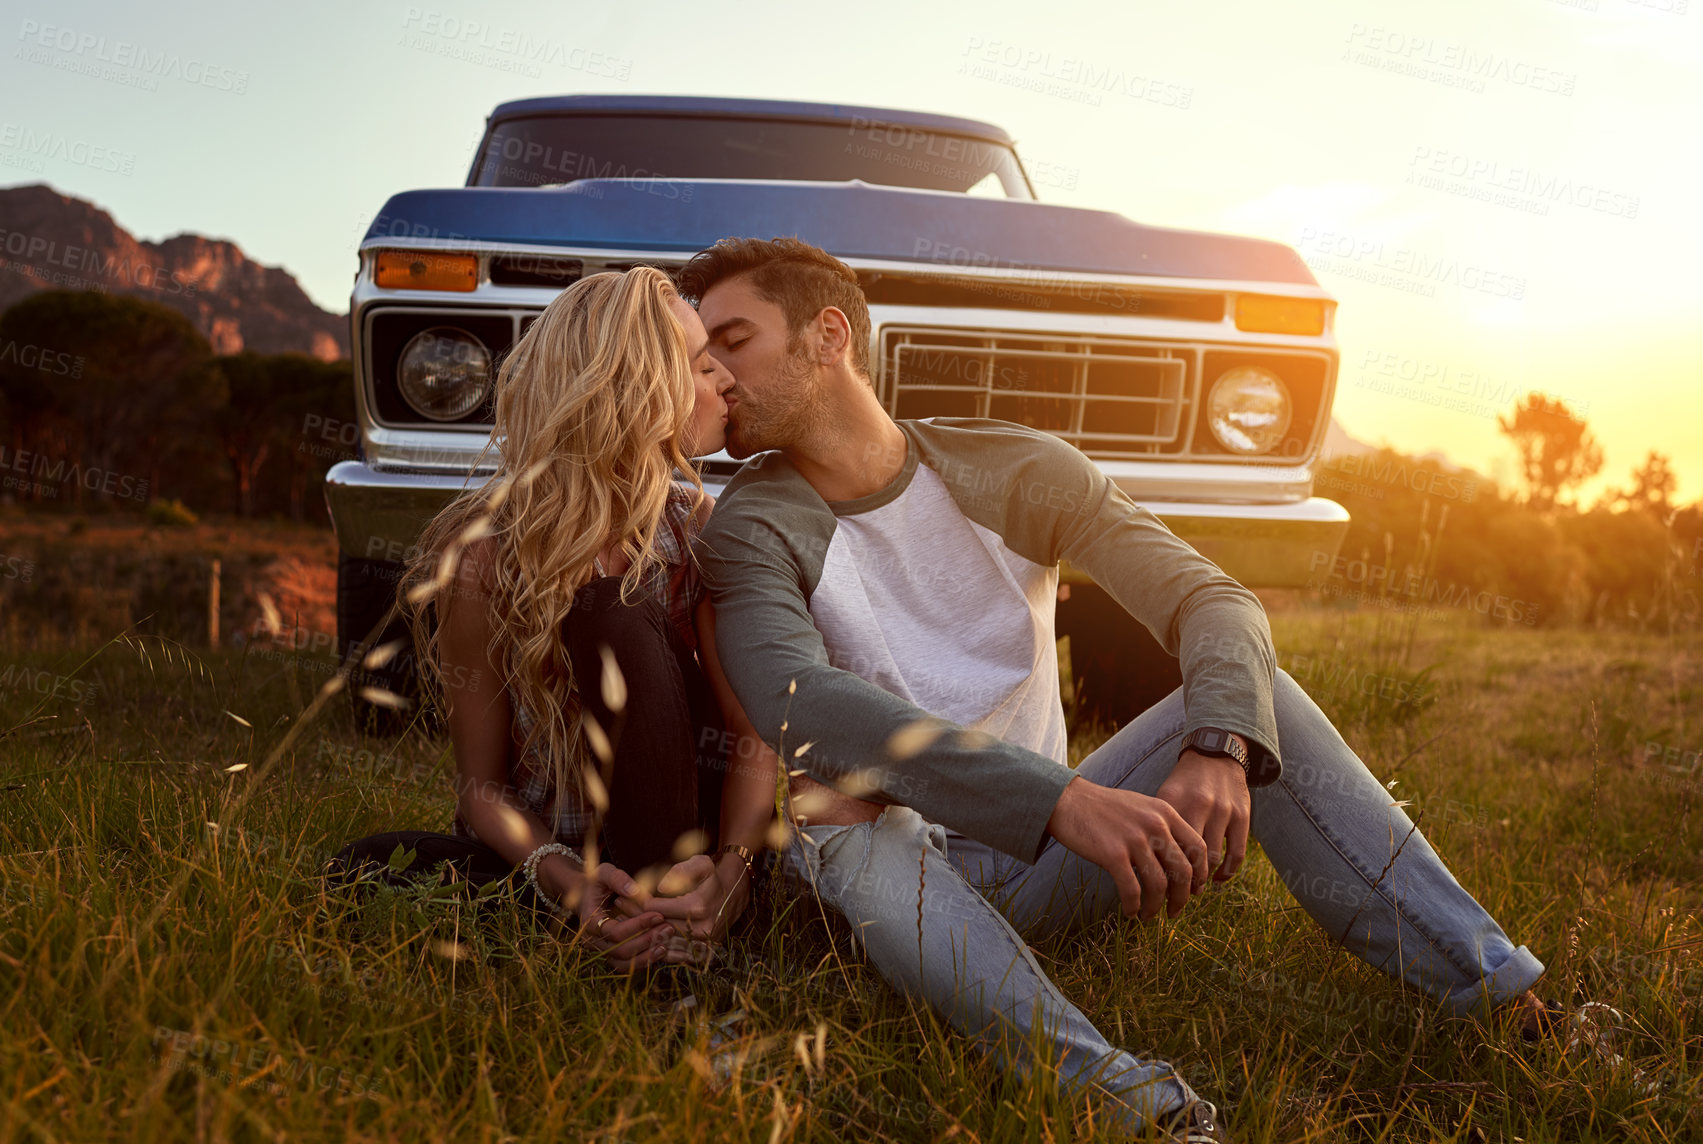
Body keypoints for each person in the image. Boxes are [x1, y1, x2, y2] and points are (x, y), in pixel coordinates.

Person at [673, 237, 1573, 1139]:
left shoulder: (1013, 469)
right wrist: (1062, 798)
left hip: (1042, 865)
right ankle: (1138, 1109)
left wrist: (1219, 744)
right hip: (892, 882)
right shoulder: (751, 526)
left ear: (828, 335)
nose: (714, 370)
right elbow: (798, 700)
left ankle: (1510, 1007)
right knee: (832, 812)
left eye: (736, 339)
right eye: (702, 352)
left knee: (1263, 703)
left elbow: (1213, 601)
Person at [323, 266, 780, 974]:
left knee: (614, 617)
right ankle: (611, 925)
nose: (724, 378)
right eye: (699, 362)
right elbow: (481, 790)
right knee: (361, 868)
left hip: (686, 843)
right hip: (562, 860)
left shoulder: (700, 532)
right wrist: (562, 879)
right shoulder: (482, 557)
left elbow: (750, 739)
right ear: (638, 391)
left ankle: (668, 931)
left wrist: (733, 875)